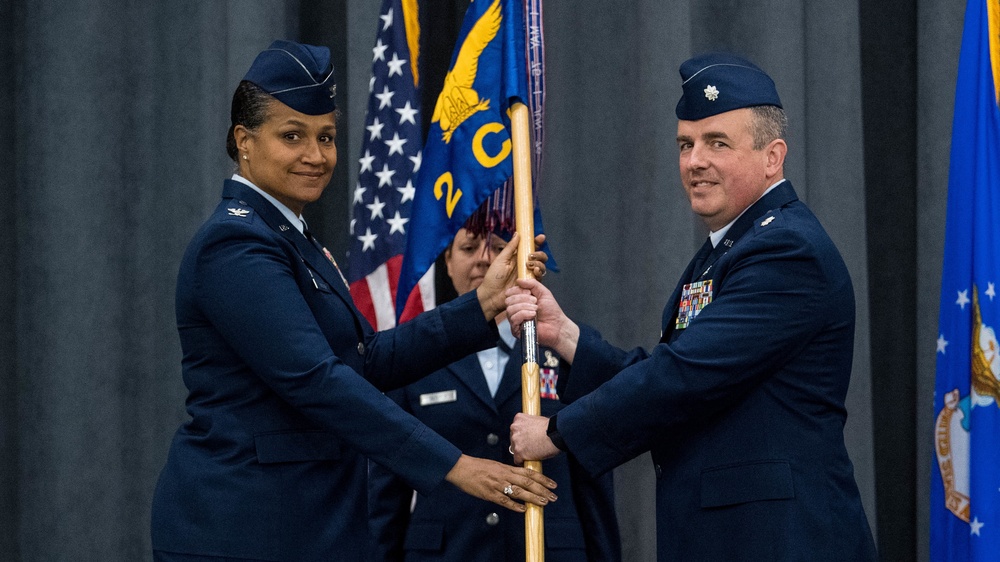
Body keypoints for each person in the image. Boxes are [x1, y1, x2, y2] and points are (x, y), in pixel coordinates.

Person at [149, 40, 556, 562]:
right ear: (243, 141)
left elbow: (365, 361)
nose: (315, 156)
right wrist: (455, 465)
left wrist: (481, 303)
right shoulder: (235, 244)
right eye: (291, 136)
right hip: (245, 527)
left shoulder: (289, 237)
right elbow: (316, 379)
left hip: (307, 522)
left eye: (326, 137)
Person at [505, 52, 878, 561]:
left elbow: (684, 376)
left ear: (773, 157)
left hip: (779, 540)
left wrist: (554, 432)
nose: (694, 160)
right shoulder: (728, 249)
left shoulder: (787, 250)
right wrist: (565, 336)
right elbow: (689, 377)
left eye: (717, 143)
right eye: (685, 144)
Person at [368, 226, 622, 561]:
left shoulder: (563, 347)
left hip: (545, 549)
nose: (484, 259)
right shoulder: (413, 354)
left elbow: (594, 479)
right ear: (446, 260)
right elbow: (388, 494)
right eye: (469, 247)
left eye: (500, 247)